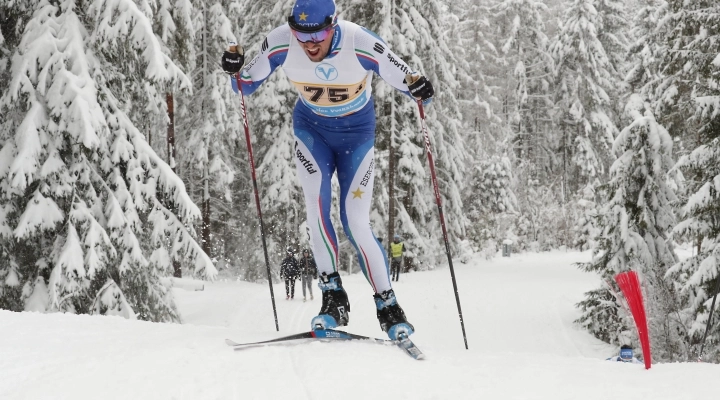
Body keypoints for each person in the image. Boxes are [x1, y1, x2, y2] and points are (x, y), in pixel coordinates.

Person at [220, 0, 433, 340]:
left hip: (356, 137)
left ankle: (388, 306)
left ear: (333, 24)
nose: (310, 43)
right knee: (316, 210)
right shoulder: (280, 42)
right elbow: (243, 85)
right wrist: (234, 68)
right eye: (301, 34)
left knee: (355, 222)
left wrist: (420, 89)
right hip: (312, 132)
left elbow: (411, 81)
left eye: (318, 33)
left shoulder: (360, 42)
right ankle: (333, 299)